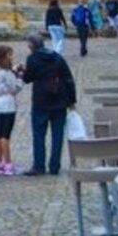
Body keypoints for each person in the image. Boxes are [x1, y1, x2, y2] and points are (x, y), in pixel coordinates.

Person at [19, 32, 76, 176]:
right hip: (59, 99)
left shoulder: (33, 59)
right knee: (57, 135)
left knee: (39, 134)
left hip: (41, 100)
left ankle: (39, 165)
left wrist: (21, 71)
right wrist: (71, 100)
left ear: (32, 45)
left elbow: (27, 78)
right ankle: (55, 166)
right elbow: (68, 78)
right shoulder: (57, 57)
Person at [0, 46, 23, 176]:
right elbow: (15, 88)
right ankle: (8, 164)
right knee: (5, 135)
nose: (12, 57)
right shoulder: (7, 73)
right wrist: (20, 77)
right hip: (8, 105)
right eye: (10, 55)